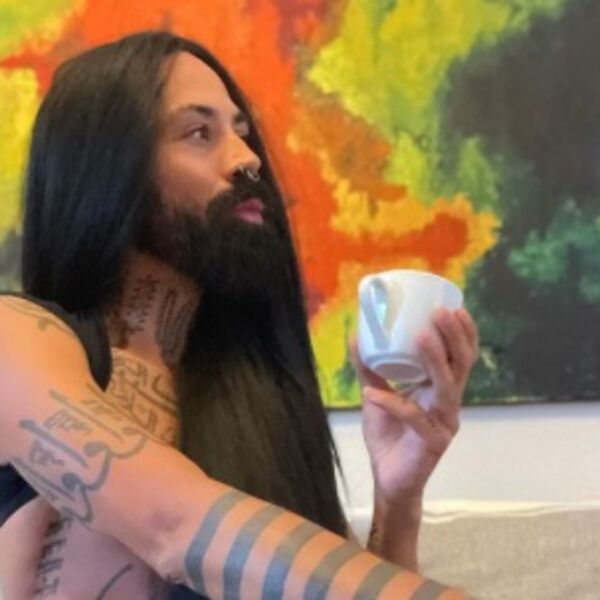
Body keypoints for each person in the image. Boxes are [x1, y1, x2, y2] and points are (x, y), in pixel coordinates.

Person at [0, 31, 478, 599]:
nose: (248, 160)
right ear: (105, 168)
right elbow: (172, 525)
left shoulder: (251, 402)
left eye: (242, 132)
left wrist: (397, 502)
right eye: (199, 133)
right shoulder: (17, 337)